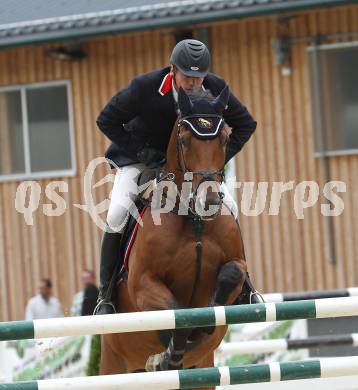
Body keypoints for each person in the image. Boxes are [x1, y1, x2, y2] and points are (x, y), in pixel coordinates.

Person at [96, 39, 257, 314]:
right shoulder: (145, 88)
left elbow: (246, 124)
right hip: (143, 159)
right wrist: (144, 153)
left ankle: (246, 288)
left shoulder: (215, 89)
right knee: (116, 213)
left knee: (231, 205)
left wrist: (214, 161)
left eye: (198, 77)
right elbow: (107, 119)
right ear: (172, 69)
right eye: (187, 76)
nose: (193, 83)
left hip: (193, 168)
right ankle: (107, 293)